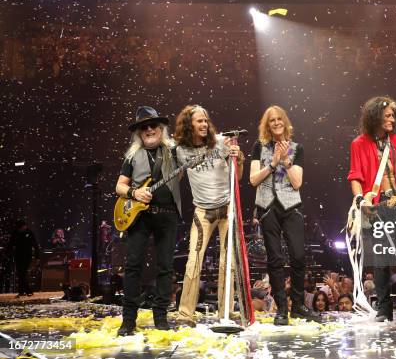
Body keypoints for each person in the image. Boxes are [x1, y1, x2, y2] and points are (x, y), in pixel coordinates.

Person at [348, 96, 396, 322]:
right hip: (377, 206)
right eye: (388, 115)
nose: (392, 119)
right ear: (375, 117)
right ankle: (384, 309)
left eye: (393, 115)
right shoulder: (358, 143)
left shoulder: (395, 140)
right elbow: (355, 176)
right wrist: (361, 200)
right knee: (381, 260)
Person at [173, 104, 244, 326]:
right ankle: (186, 313)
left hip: (226, 208)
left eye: (206, 120)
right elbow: (177, 179)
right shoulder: (180, 150)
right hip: (202, 212)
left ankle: (226, 312)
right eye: (199, 121)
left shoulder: (222, 142)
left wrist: (238, 158)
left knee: (228, 262)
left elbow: (238, 177)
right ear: (188, 125)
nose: (204, 124)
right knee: (194, 260)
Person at [249, 105, 319, 325]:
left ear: (285, 121)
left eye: (279, 119)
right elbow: (253, 180)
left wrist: (285, 159)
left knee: (298, 256)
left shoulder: (298, 148)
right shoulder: (258, 147)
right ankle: (281, 310)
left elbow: (297, 182)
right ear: (267, 125)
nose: (276, 123)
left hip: (291, 206)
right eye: (272, 120)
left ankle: (297, 306)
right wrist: (272, 163)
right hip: (268, 206)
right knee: (275, 259)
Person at [115, 106, 182, 335]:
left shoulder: (174, 152)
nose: (150, 129)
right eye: (144, 127)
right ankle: (128, 320)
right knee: (133, 266)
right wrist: (134, 194)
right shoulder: (132, 156)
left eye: (154, 125)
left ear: (161, 129)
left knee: (165, 267)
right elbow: (119, 186)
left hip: (167, 214)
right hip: (139, 216)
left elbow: (195, 156)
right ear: (139, 132)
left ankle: (160, 318)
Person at [9, 219, 39, 297]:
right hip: (18, 256)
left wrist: (37, 256)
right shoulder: (15, 233)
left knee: (22, 273)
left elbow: (35, 245)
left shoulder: (29, 233)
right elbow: (10, 244)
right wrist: (7, 254)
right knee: (20, 274)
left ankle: (25, 291)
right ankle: (24, 291)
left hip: (27, 256)